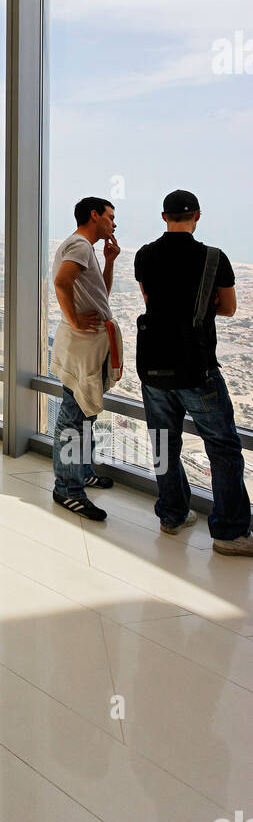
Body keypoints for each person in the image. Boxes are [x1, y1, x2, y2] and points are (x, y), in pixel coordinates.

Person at [135, 189, 251, 556]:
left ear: (163, 217)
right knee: (223, 447)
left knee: (164, 445)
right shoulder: (214, 258)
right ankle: (230, 533)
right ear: (197, 216)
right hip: (196, 368)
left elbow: (152, 304)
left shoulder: (145, 255)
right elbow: (229, 308)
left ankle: (172, 515)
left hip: (153, 368)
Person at [49, 196, 123, 521]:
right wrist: (76, 321)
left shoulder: (84, 248)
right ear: (94, 216)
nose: (114, 223)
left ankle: (81, 473)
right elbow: (61, 282)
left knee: (83, 415)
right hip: (80, 346)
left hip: (83, 347)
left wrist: (109, 261)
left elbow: (99, 295)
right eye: (110, 216)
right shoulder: (79, 245)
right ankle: (67, 489)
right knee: (73, 418)